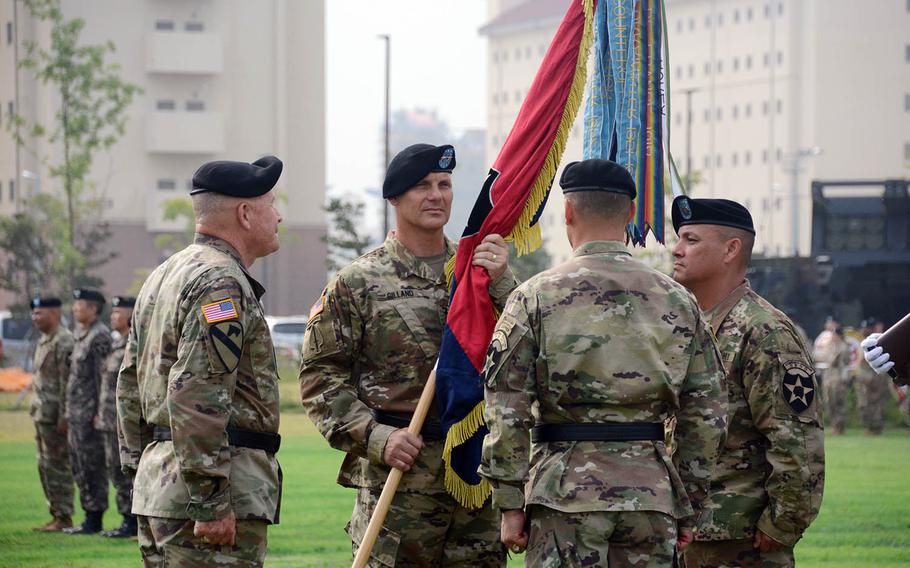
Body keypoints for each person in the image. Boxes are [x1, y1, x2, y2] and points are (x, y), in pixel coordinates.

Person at [478, 159, 727, 566]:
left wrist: (509, 502)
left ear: (567, 212)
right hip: (651, 494)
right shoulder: (678, 299)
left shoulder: (535, 296)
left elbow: (507, 406)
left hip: (565, 494)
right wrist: (688, 501)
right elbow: (707, 411)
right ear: (631, 214)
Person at [300, 143, 514, 567]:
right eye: (422, 186)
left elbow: (526, 355)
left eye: (445, 185)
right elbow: (321, 379)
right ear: (394, 197)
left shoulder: (478, 273)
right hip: (398, 480)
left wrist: (504, 285)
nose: (436, 195)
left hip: (472, 473)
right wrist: (376, 437)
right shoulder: (357, 282)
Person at [117, 156, 285, 566]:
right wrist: (210, 500)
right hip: (207, 495)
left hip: (163, 485)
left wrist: (142, 472)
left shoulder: (164, 274)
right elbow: (197, 393)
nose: (279, 215)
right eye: (271, 203)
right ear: (245, 213)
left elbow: (128, 386)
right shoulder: (220, 282)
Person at [669, 195, 825, 568]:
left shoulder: (764, 331)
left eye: (691, 240)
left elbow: (797, 442)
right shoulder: (688, 325)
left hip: (740, 540)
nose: (676, 250)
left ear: (731, 249)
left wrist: (781, 526)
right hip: (684, 532)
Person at [63, 288, 112, 535]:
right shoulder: (80, 335)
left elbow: (101, 378)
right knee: (79, 465)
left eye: (79, 305)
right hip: (76, 414)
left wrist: (98, 413)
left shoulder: (100, 337)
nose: (75, 309)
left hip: (90, 415)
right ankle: (88, 516)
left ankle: (95, 518)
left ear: (93, 309)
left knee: (93, 466)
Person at [28, 296, 76, 532]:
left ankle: (64, 516)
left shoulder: (64, 341)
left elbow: (67, 383)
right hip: (41, 413)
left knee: (58, 465)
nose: (35, 318)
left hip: (56, 415)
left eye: (40, 313)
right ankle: (56, 514)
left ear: (55, 314)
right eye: (34, 313)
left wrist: (64, 417)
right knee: (44, 465)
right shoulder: (44, 340)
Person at [95, 295, 137, 538]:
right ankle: (126, 520)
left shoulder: (133, 344)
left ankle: (132, 522)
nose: (113, 317)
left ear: (131, 316)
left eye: (117, 312)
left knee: (126, 471)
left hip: (125, 421)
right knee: (115, 470)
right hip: (110, 419)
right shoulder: (116, 344)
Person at [854, 319, 889, 435]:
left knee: (875, 403)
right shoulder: (862, 342)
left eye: (867, 328)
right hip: (864, 380)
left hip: (874, 379)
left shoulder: (874, 342)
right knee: (864, 404)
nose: (864, 330)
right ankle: (870, 427)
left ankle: (876, 427)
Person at [819, 327, 852, 435]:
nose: (833, 336)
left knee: (839, 403)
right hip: (828, 377)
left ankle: (840, 426)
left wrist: (843, 380)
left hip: (838, 378)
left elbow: (844, 365)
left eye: (834, 334)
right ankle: (834, 425)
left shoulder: (844, 347)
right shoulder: (830, 346)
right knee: (829, 402)